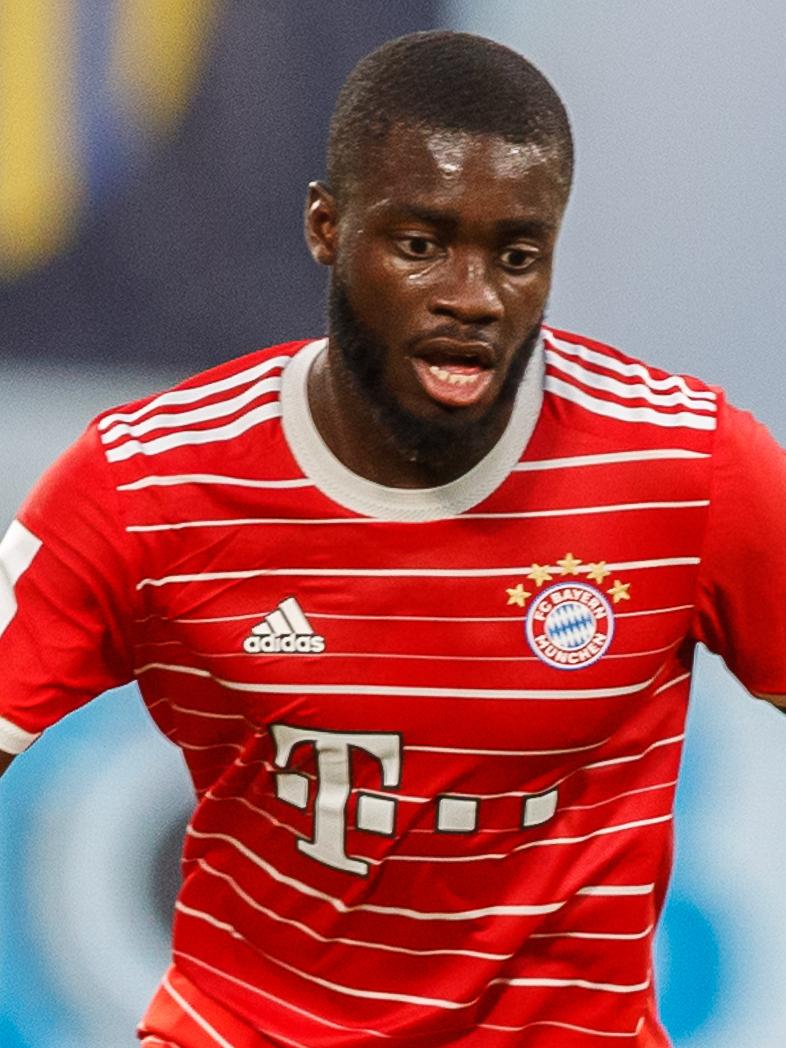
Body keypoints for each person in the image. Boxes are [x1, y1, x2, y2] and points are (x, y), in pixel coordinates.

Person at [0, 28, 784, 1047]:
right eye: (420, 244)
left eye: (517, 255)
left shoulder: (688, 467)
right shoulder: (148, 480)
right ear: (326, 227)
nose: (472, 296)